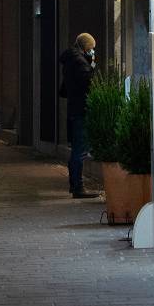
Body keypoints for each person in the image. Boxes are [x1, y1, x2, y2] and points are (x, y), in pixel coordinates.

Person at [59, 31, 98, 199]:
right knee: (80, 150)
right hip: (81, 109)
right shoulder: (80, 62)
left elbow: (65, 89)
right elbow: (88, 83)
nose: (93, 52)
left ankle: (75, 184)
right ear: (86, 47)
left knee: (77, 148)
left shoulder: (70, 60)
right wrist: (92, 66)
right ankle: (78, 186)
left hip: (74, 108)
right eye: (92, 49)